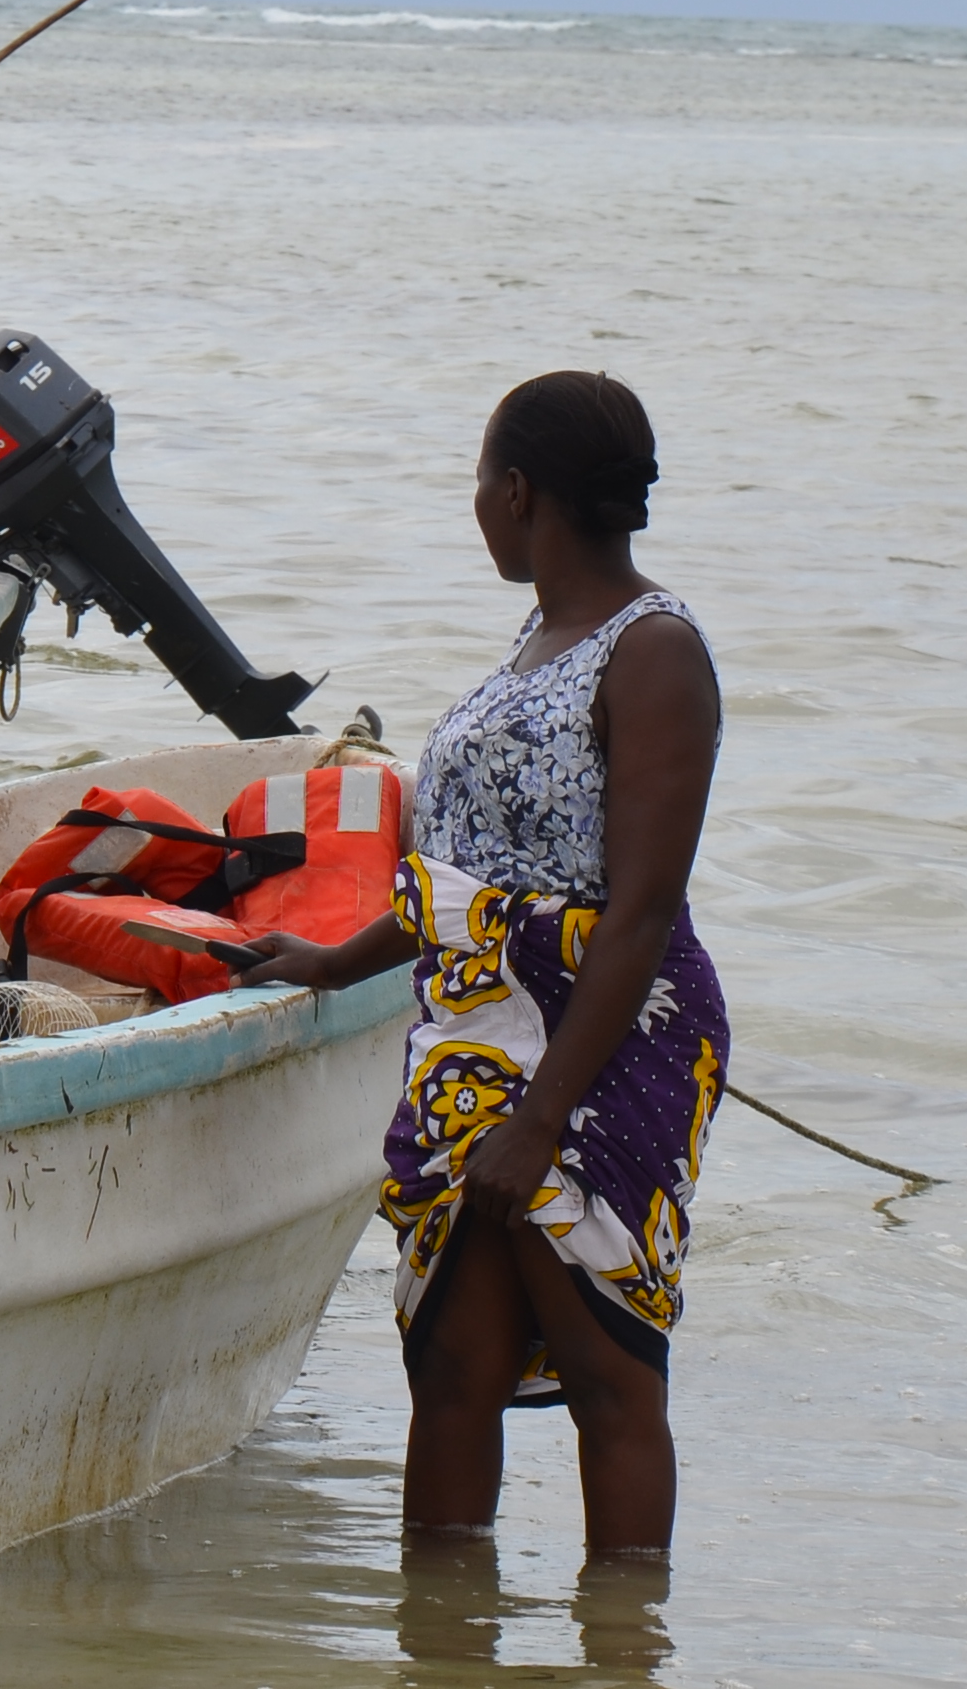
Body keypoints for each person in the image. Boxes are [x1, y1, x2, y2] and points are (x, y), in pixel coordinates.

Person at [238, 370, 729, 1562]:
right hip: (469, 1037)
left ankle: (622, 1645)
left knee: (612, 1378)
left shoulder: (652, 652)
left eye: (476, 481)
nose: (474, 505)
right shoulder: (535, 639)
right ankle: (442, 1643)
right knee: (452, 1372)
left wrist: (539, 1118)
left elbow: (638, 913)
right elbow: (466, 887)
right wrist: (330, 963)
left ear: (516, 492)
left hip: (594, 1043)